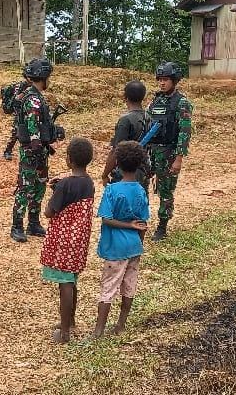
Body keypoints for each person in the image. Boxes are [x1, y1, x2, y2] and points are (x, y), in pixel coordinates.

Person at [40, 137, 95, 344]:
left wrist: (56, 191)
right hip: (78, 241)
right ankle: (70, 321)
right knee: (71, 281)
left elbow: (49, 212)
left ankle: (64, 332)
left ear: (69, 160)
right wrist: (59, 189)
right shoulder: (89, 183)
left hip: (63, 242)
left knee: (65, 284)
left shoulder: (65, 185)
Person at [93, 140, 149, 338]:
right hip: (134, 246)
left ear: (117, 163)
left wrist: (127, 225)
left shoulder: (112, 190)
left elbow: (106, 219)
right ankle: (121, 325)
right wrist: (139, 241)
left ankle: (99, 330)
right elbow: (143, 222)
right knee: (129, 285)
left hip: (116, 248)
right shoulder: (141, 190)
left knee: (108, 287)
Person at [10, 58, 56, 243]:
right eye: (48, 78)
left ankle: (34, 223)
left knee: (39, 186)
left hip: (40, 150)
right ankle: (17, 226)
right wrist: (37, 143)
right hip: (31, 151)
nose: (49, 81)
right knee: (25, 188)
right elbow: (32, 124)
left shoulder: (36, 96)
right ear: (42, 78)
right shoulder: (33, 99)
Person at [146, 62, 193, 241]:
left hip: (169, 153)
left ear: (174, 80)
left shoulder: (182, 103)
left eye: (166, 80)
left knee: (165, 191)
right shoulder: (155, 101)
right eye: (160, 79)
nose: (162, 83)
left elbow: (184, 132)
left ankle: (162, 226)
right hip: (151, 152)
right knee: (142, 186)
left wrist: (179, 158)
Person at [101, 80, 150, 190]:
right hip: (143, 172)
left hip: (125, 174)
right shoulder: (148, 117)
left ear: (125, 98)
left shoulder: (125, 120)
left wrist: (105, 174)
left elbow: (116, 151)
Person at [1, 80, 30, 161]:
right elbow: (16, 99)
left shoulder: (33, 85)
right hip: (19, 112)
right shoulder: (20, 86)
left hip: (29, 111)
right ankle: (8, 151)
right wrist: (24, 93)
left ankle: (28, 151)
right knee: (16, 133)